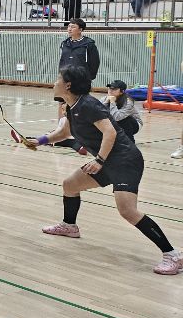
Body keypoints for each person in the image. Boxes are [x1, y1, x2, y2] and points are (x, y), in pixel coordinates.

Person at [24, 66, 181, 275]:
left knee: (127, 211)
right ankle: (69, 226)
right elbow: (64, 132)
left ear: (68, 85)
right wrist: (40, 140)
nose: (54, 83)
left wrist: (99, 160)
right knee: (70, 185)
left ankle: (173, 255)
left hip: (124, 160)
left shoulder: (88, 105)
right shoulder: (71, 106)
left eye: (58, 79)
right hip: (107, 160)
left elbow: (110, 132)